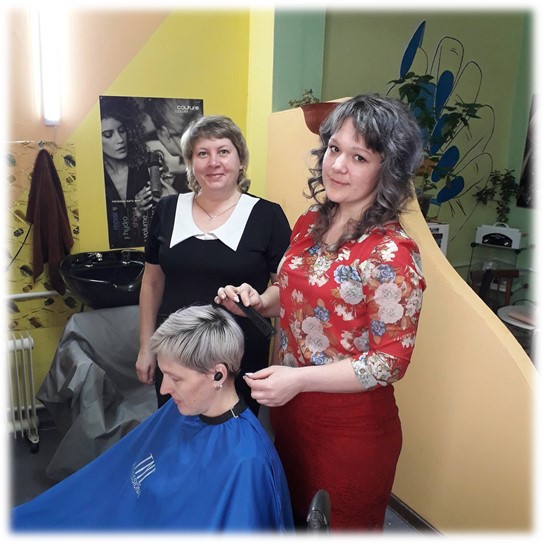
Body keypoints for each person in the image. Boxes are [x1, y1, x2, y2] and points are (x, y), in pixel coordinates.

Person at [215, 94, 427, 530]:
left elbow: (389, 362)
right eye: (334, 149)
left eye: (359, 157)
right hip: (291, 413)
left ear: (387, 169)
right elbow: (290, 291)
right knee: (290, 519)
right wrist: (259, 301)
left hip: (350, 430)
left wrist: (298, 380)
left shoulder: (392, 253)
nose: (337, 166)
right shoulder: (311, 223)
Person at [12, 305, 294, 532]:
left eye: (175, 378)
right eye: (163, 374)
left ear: (218, 374)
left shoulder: (247, 461)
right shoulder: (182, 412)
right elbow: (117, 474)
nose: (163, 389)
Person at [135, 115, 291, 415]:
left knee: (232, 434)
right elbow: (152, 283)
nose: (213, 162)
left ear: (241, 160)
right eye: (202, 154)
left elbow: (286, 291)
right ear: (191, 163)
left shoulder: (267, 216)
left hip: (240, 358)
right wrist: (146, 347)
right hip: (175, 355)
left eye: (223, 151)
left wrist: (278, 361)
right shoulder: (167, 210)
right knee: (177, 430)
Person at [100, 95, 152, 248]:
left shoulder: (143, 168)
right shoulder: (96, 177)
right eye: (108, 135)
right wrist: (135, 212)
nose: (120, 139)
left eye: (122, 130)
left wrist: (139, 212)